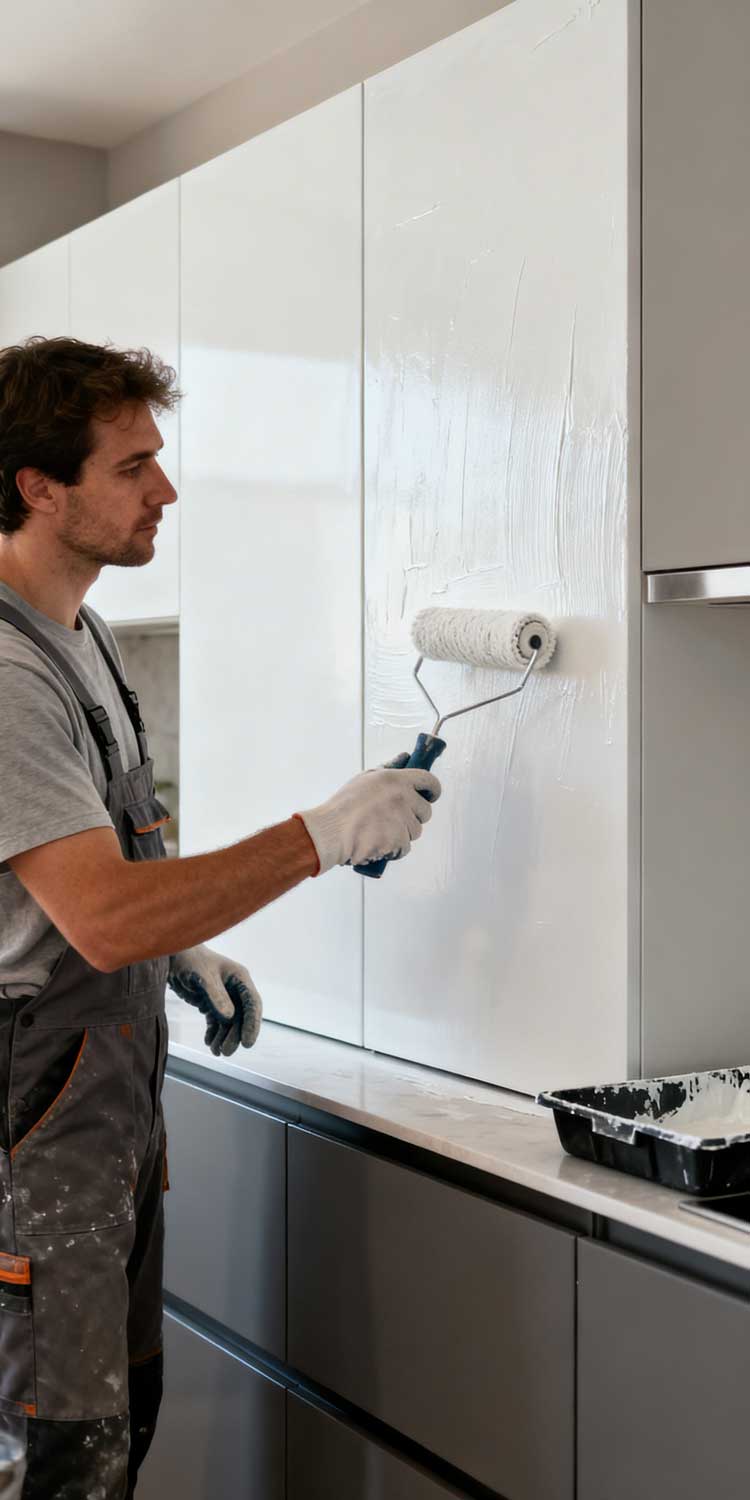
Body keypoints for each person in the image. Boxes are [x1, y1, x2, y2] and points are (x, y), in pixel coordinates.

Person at [0, 336, 441, 1498]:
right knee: (55, 1461)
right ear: (37, 486)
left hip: (102, 1125)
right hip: (32, 1143)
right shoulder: (6, 670)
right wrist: (323, 833)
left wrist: (176, 946)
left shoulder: (81, 633)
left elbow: (77, 882)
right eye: (132, 464)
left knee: (116, 1425)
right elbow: (95, 917)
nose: (167, 489)